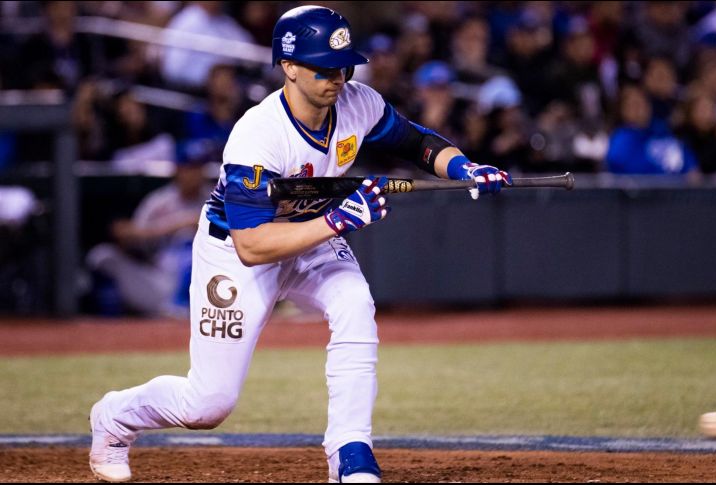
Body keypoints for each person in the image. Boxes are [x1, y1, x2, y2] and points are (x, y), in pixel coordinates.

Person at [87, 5, 512, 484]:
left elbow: (417, 143)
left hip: (311, 233)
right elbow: (252, 244)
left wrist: (464, 168)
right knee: (208, 404)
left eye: (344, 65)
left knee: (354, 302)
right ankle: (114, 418)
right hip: (238, 250)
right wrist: (338, 220)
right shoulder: (257, 135)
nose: (338, 77)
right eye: (323, 67)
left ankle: (350, 453)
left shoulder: (357, 102)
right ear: (288, 66)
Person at [85, 158, 210, 317]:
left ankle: (182, 306)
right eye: (188, 168)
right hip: (159, 280)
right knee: (101, 255)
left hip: (206, 287)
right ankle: (108, 322)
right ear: (177, 171)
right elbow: (125, 233)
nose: (193, 174)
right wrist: (171, 226)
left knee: (189, 245)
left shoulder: (215, 198)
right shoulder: (160, 201)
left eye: (197, 168)